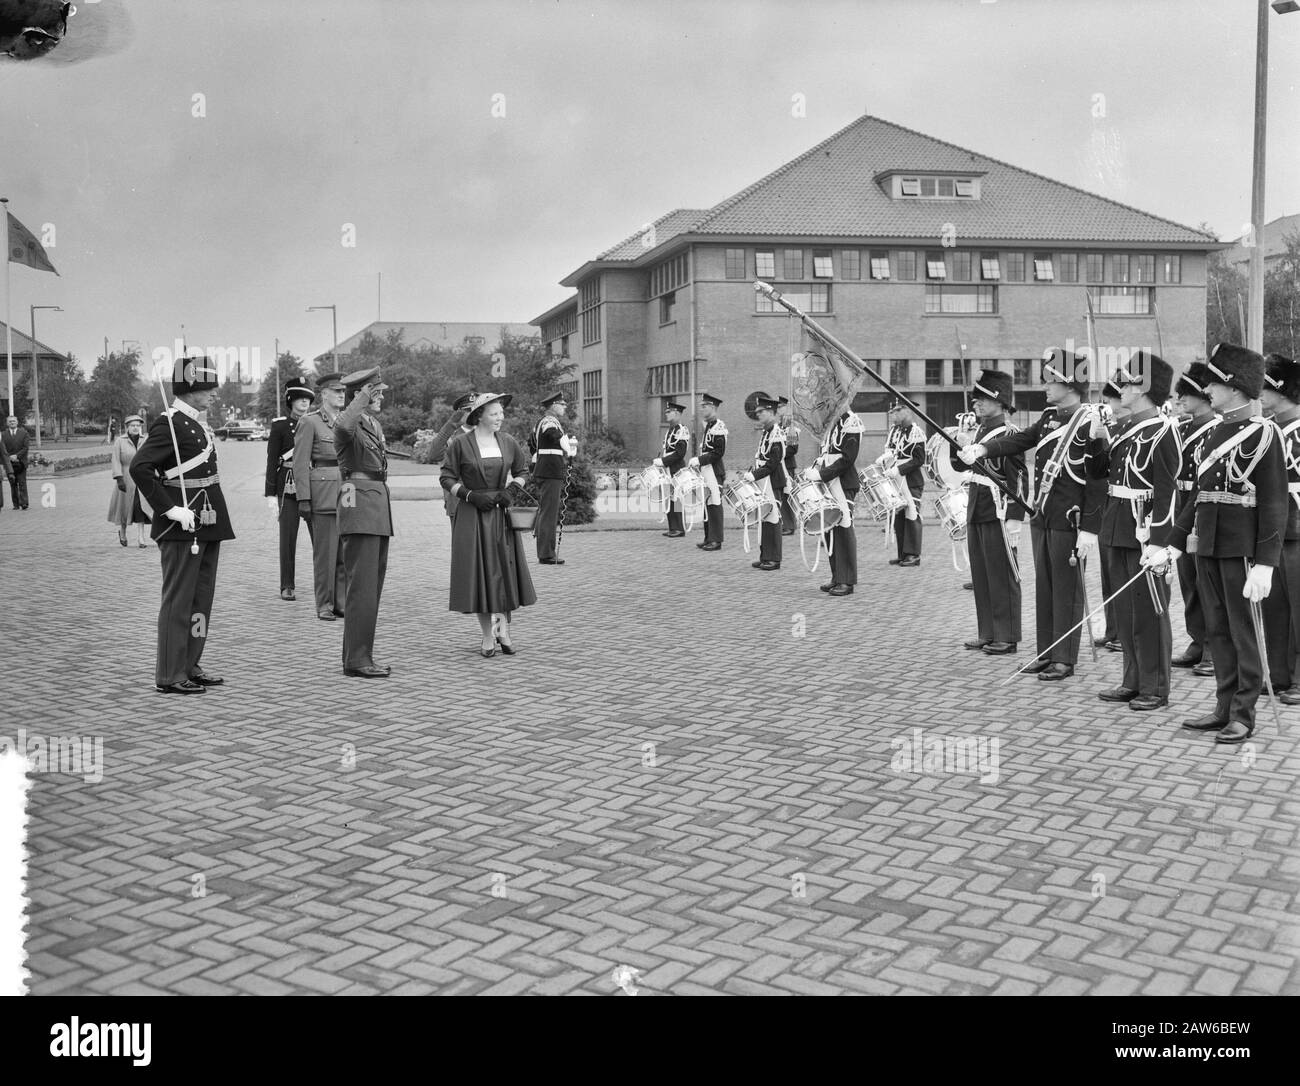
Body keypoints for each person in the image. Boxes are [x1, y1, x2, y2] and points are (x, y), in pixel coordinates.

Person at [1165, 343, 1286, 745]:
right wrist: (1173, 542)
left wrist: (1266, 562)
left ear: (1234, 388)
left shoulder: (1265, 434)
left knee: (1242, 632)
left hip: (1242, 551)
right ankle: (1223, 706)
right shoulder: (1215, 430)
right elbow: (1196, 496)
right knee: (1217, 630)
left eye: (1215, 382)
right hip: (1209, 545)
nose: (1209, 389)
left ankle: (1243, 714)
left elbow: (1273, 503)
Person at [962, 348, 1107, 681]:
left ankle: (1064, 658)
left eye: (1051, 380)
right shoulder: (1049, 417)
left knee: (1066, 591)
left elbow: (1098, 479)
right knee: (1046, 588)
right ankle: (1047, 652)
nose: (1045, 385)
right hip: (1044, 515)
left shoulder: (1089, 421)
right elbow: (1020, 441)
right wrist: (983, 448)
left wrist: (1090, 527)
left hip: (1071, 518)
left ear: (1070, 384)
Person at [129, 357, 235, 695]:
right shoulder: (169, 424)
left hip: (207, 520)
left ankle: (190, 663)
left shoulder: (195, 423)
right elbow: (140, 468)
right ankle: (170, 673)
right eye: (208, 388)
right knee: (178, 601)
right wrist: (170, 509)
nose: (214, 394)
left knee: (201, 600)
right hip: (182, 525)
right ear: (190, 390)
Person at [1087, 354, 1179, 712]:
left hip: (1143, 533)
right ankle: (1132, 680)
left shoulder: (1162, 431)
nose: (1120, 389)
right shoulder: (1125, 430)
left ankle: (1155, 687)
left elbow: (1168, 491)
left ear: (1143, 389)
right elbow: (1099, 473)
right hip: (1117, 527)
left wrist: (1159, 542)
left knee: (1149, 613)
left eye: (1126, 384)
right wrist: (1097, 439)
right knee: (1124, 613)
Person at [441, 392, 537, 656]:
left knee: (502, 574)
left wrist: (512, 491)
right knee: (481, 576)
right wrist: (469, 495)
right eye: (494, 413)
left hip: (500, 516)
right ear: (479, 415)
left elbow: (523, 471)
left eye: (501, 413)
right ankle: (487, 636)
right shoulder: (460, 443)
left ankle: (502, 632)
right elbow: (447, 478)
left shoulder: (508, 442)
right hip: (473, 516)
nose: (500, 418)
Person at [950, 370, 1026, 655]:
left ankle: (1007, 635)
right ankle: (988, 631)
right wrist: (956, 443)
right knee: (982, 574)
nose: (976, 403)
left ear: (1000, 401)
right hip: (977, 505)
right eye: (975, 397)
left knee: (1002, 574)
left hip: (998, 509)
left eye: (983, 397)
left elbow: (1018, 478)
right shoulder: (978, 431)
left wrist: (1015, 518)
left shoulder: (1009, 435)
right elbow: (961, 468)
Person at [334, 369, 394, 678]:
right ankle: (357, 660)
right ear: (362, 395)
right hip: (359, 508)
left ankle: (359, 654)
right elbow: (343, 425)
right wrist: (362, 395)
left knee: (371, 589)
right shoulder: (349, 423)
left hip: (375, 507)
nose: (381, 397)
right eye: (376, 392)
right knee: (362, 589)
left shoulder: (371, 424)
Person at [1172, 362, 1220, 677]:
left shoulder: (1216, 427)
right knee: (1188, 579)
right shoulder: (1181, 426)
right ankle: (1197, 640)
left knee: (1208, 583)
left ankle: (1214, 650)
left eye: (1187, 391)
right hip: (1181, 501)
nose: (1180, 398)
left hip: (1203, 504)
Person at [1259, 353, 1300, 705]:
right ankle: (1280, 673)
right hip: (1276, 530)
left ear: (1281, 389)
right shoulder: (1271, 429)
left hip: (1298, 528)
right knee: (1276, 609)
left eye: (1265, 385)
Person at [293, 373, 349, 621]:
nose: (341, 395)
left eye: (343, 391)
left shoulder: (348, 421)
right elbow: (300, 463)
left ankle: (340, 601)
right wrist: (303, 498)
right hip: (323, 493)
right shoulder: (310, 422)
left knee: (344, 553)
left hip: (348, 493)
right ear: (323, 393)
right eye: (336, 391)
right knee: (325, 553)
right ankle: (324, 603)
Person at [264, 381, 315, 600]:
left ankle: (326, 582)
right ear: (290, 401)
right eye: (299, 397)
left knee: (320, 536)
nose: (304, 401)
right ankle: (287, 585)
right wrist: (270, 493)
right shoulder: (280, 426)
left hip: (312, 483)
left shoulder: (315, 423)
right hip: (288, 483)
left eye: (307, 398)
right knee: (288, 538)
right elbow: (271, 461)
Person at [808, 405, 862, 596]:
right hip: (830, 482)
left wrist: (822, 474)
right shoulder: (834, 423)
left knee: (844, 529)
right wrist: (816, 469)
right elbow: (827, 454)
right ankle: (837, 577)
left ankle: (847, 581)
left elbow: (847, 459)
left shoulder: (851, 422)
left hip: (844, 483)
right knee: (831, 530)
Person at [741, 395, 786, 570]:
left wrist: (755, 475)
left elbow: (773, 463)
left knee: (773, 519)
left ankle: (774, 558)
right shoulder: (766, 432)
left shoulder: (776, 433)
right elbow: (761, 458)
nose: (757, 414)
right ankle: (765, 555)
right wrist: (752, 472)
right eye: (757, 411)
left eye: (761, 411)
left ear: (771, 412)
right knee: (764, 518)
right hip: (763, 480)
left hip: (773, 481)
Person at [532, 391, 576, 565]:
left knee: (547, 511)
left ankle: (545, 551)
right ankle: (546, 553)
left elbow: (531, 443)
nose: (565, 407)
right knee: (549, 513)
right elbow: (552, 434)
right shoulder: (550, 421)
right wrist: (565, 443)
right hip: (550, 470)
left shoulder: (542, 421)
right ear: (553, 406)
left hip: (546, 468)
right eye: (562, 404)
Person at [880, 400, 925, 566]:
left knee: (912, 514)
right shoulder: (894, 431)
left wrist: (900, 469)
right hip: (896, 479)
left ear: (907, 411)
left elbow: (919, 459)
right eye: (892, 412)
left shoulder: (916, 432)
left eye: (897, 411)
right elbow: (892, 451)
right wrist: (885, 460)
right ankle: (903, 553)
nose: (893, 415)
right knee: (899, 516)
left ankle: (913, 554)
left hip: (911, 479)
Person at [690, 393, 727, 551]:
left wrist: (700, 460)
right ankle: (708, 537)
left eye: (705, 406)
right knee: (707, 504)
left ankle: (716, 540)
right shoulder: (709, 426)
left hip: (714, 470)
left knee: (715, 504)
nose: (702, 409)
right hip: (706, 469)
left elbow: (719, 452)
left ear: (713, 407)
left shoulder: (718, 426)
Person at [108, 414, 151, 547]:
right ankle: (122, 532)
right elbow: (115, 459)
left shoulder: (146, 440)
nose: (135, 428)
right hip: (126, 477)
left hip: (142, 478)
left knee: (140, 507)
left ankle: (141, 538)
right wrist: (119, 478)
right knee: (124, 508)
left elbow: (151, 457)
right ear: (127, 427)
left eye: (138, 425)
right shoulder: (120, 441)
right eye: (133, 425)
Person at [653, 400, 690, 537]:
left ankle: (679, 528)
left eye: (669, 412)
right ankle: (672, 527)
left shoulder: (682, 430)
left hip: (676, 468)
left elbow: (680, 453)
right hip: (667, 467)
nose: (666, 414)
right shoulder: (670, 430)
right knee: (668, 497)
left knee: (677, 498)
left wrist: (663, 461)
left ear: (677, 413)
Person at [778, 396, 800, 535]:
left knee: (787, 496)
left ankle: (790, 525)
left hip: (787, 465)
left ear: (787, 408)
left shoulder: (791, 426)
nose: (778, 410)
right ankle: (784, 523)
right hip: (779, 465)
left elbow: (793, 448)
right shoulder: (779, 426)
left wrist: (778, 453)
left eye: (781, 407)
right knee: (781, 495)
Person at [2, 415, 29, 510]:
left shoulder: (24, 433)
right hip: (9, 463)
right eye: (10, 421)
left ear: (17, 422)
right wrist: (9, 457)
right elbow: (2, 449)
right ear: (7, 423)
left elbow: (25, 448)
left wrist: (16, 456)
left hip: (21, 462)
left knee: (22, 483)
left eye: (13, 421)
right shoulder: (3, 435)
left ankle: (24, 503)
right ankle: (16, 504)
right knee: (13, 484)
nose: (12, 423)